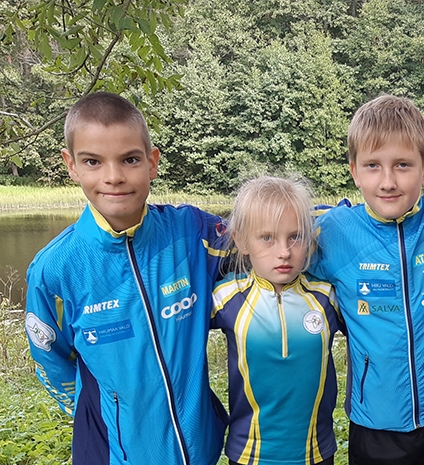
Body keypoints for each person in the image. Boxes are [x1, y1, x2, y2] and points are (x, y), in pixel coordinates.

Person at [23, 92, 229, 464]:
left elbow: (268, 235)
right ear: (72, 166)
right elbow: (50, 357)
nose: (114, 177)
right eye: (93, 161)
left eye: (130, 160)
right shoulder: (54, 269)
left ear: (152, 163)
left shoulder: (193, 234)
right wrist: (98, 416)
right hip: (113, 454)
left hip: (199, 450)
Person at [310, 94, 424, 465]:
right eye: (373, 166)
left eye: (402, 165)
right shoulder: (332, 232)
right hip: (374, 421)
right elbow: (272, 231)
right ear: (354, 170)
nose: (388, 181)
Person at [211, 175, 343, 465]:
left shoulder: (327, 296)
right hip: (249, 454)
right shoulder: (225, 297)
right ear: (241, 240)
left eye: (295, 236)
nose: (284, 252)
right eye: (267, 238)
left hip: (316, 452)